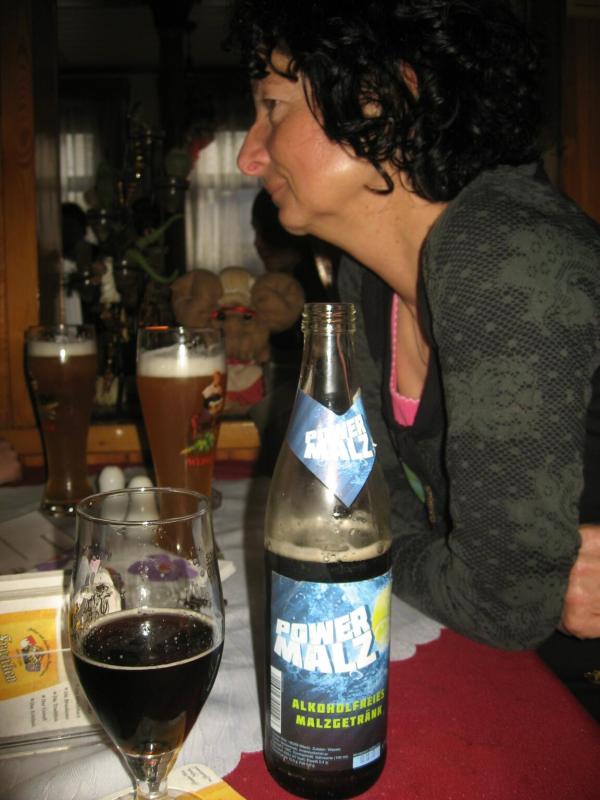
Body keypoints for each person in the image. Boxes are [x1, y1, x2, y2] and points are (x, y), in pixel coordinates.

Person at [231, 0, 600, 718]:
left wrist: (390, 549)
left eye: (273, 107)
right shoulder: (366, 278)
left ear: (383, 97)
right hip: (519, 675)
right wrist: (425, 551)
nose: (250, 155)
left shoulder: (500, 247)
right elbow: (351, 503)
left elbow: (500, 604)